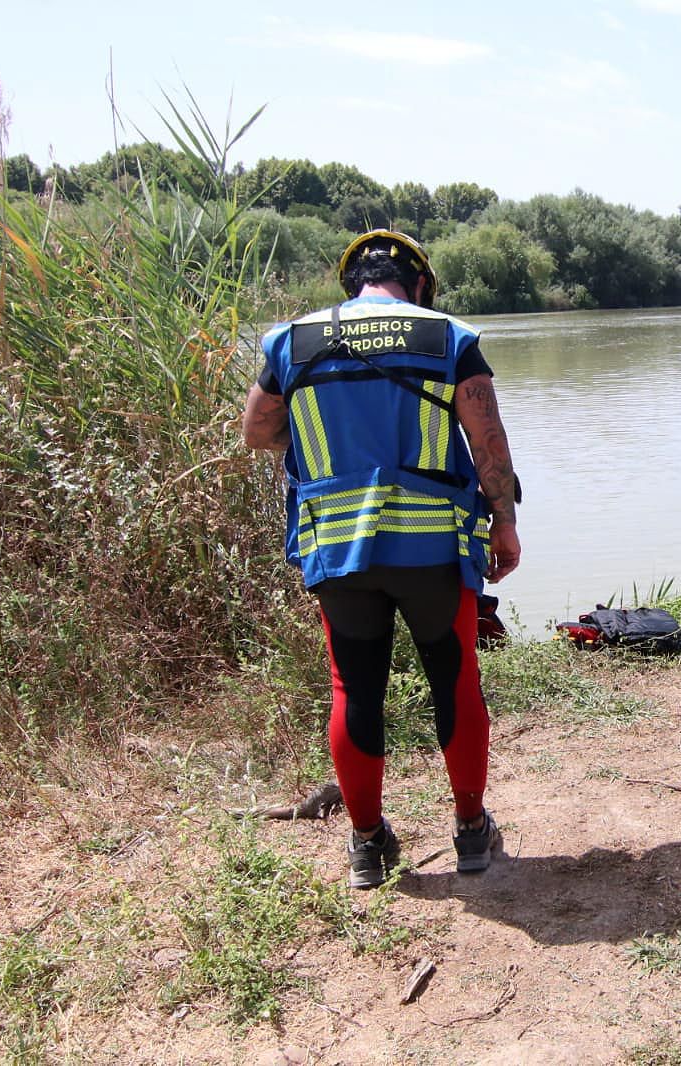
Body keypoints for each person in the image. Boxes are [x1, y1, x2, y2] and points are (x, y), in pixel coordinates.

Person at [243, 229, 521, 889]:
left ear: (351, 284)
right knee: (454, 685)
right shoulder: (447, 337)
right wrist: (504, 522)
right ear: (420, 284)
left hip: (338, 550)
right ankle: (471, 832)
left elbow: (257, 431)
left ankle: (367, 846)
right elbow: (488, 440)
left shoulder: (291, 342)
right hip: (431, 550)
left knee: (353, 689)